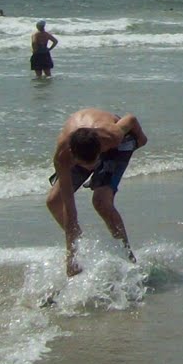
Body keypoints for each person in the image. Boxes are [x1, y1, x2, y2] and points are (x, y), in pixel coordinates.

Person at [46, 108, 148, 276]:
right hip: (81, 145)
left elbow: (130, 119)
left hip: (117, 146)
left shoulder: (112, 136)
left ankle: (127, 256)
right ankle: (77, 240)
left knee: (101, 202)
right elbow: (70, 211)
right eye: (89, 166)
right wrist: (72, 257)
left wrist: (141, 139)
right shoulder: (62, 157)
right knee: (54, 201)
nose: (92, 169)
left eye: (94, 163)